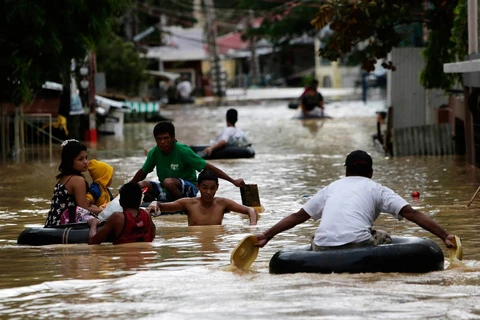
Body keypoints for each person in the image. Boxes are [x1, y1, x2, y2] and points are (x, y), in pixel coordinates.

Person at [255, 150, 458, 251]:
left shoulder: (330, 188)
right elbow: (412, 214)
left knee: (315, 235)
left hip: (322, 247)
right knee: (385, 236)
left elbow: (298, 216)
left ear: (346, 170)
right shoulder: (377, 189)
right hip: (358, 245)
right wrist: (444, 235)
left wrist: (267, 235)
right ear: (371, 172)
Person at [130, 121, 246, 203]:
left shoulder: (183, 151)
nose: (163, 142)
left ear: (173, 138)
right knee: (141, 186)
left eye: (166, 138)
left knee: (168, 182)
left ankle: (183, 205)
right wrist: (127, 188)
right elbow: (142, 172)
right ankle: (159, 203)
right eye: (159, 139)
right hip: (166, 188)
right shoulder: (154, 153)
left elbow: (208, 167)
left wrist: (233, 181)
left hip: (188, 188)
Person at [147, 170, 257, 226]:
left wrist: (252, 226)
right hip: (196, 244)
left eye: (212, 188)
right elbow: (161, 206)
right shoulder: (188, 203)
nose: (208, 192)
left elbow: (250, 210)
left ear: (217, 188)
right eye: (205, 188)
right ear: (198, 187)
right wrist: (154, 203)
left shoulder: (222, 203)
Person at [44, 139, 100, 226]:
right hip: (63, 223)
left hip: (52, 222)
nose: (86, 162)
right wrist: (104, 211)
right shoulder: (77, 180)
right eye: (80, 159)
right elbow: (84, 208)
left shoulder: (63, 178)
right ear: (69, 161)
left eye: (86, 158)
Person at [88, 182, 156, 245]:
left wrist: (93, 224)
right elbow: (152, 236)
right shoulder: (147, 214)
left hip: (126, 257)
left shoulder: (117, 217)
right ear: (140, 201)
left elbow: (93, 242)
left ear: (120, 202)